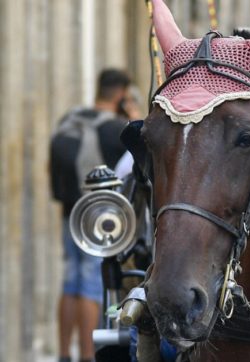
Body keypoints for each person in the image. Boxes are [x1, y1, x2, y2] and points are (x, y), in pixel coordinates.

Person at [50, 69, 137, 362]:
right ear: (122, 95)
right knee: (90, 283)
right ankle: (88, 356)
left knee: (70, 280)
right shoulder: (116, 129)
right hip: (100, 220)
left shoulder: (71, 119)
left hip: (70, 213)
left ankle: (64, 353)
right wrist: (135, 117)